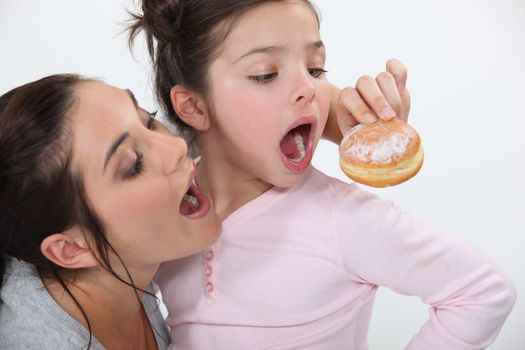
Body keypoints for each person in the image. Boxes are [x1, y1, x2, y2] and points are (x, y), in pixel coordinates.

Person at [129, 0, 517, 349]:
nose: (309, 89)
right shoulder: (165, 208)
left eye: (316, 68)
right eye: (265, 74)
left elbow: (483, 291)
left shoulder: (343, 219)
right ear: (193, 107)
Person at [0, 74, 222, 349]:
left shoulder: (126, 260)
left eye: (149, 120)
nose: (177, 145)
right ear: (72, 248)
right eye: (134, 166)